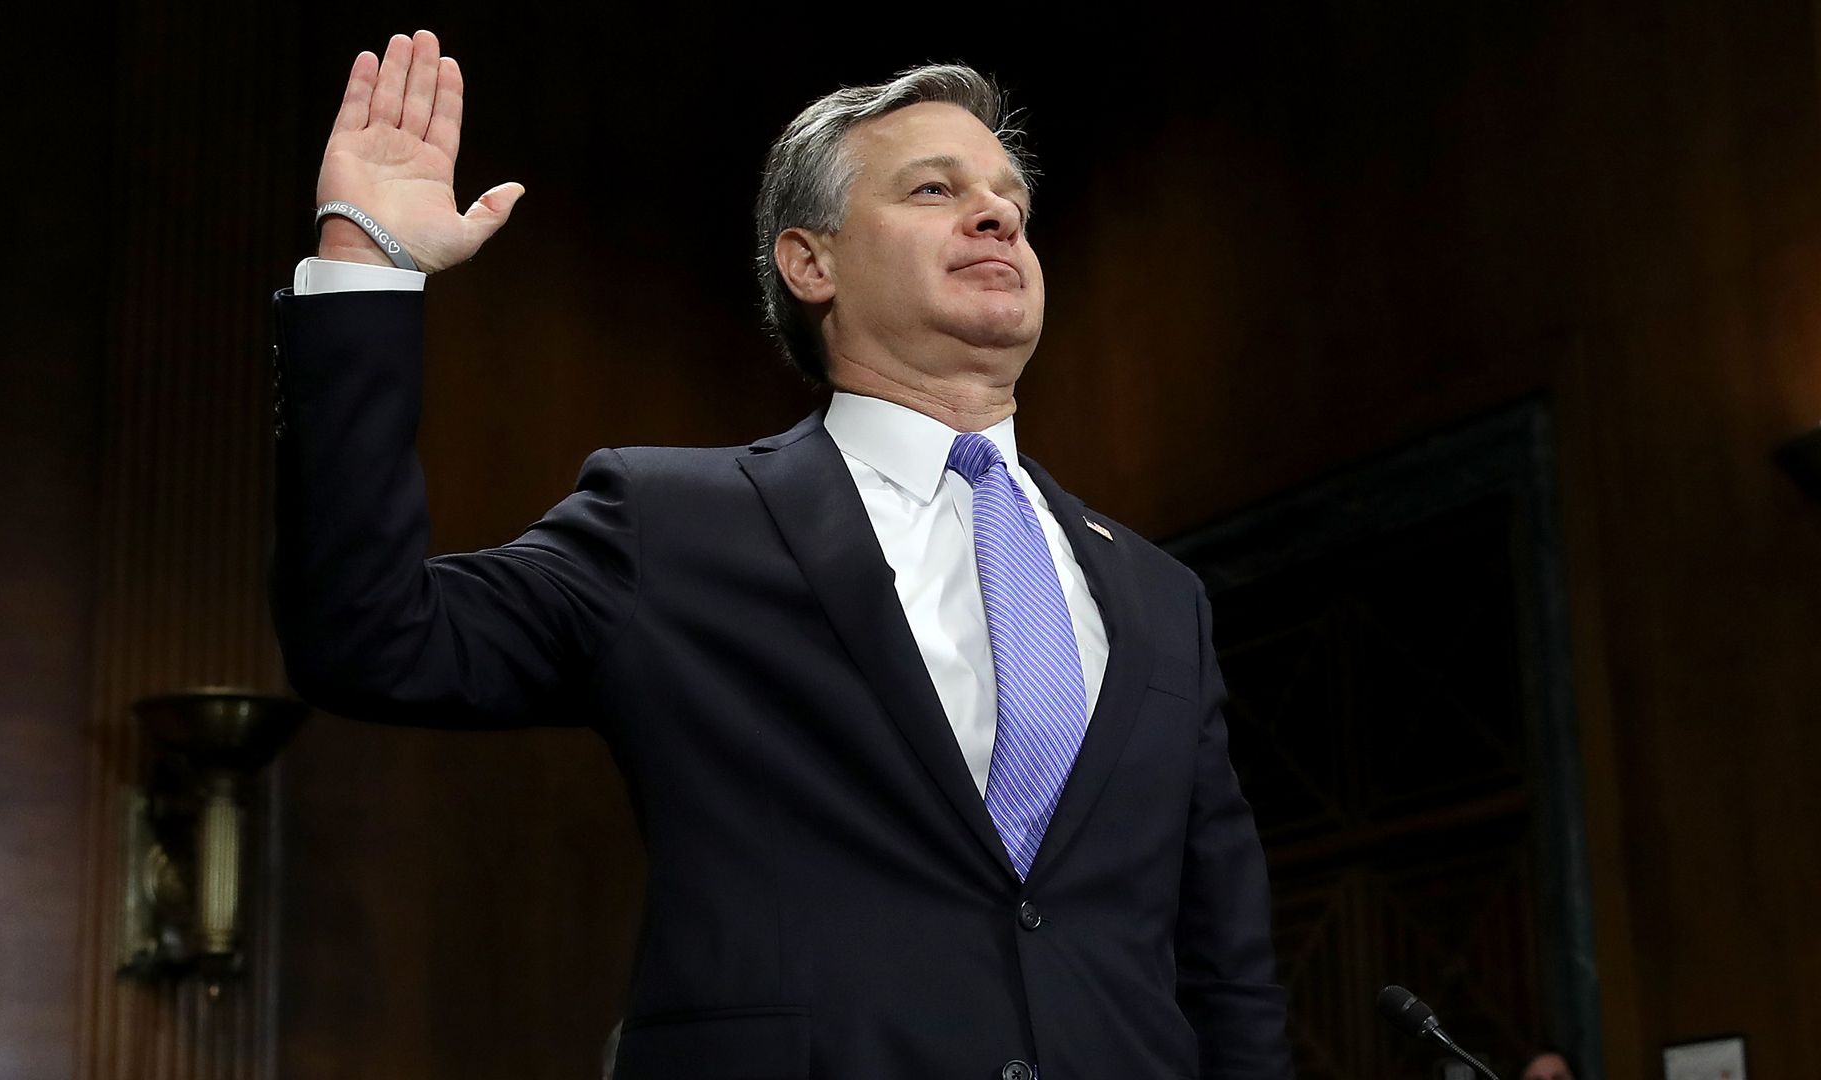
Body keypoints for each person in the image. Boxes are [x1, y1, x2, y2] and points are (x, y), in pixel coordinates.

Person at [271, 28, 1293, 1080]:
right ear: (810, 262)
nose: (996, 214)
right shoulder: (667, 523)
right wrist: (365, 271)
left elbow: (1227, 967)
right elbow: (369, 635)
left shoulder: (1159, 596)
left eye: (1010, 202)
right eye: (934, 190)